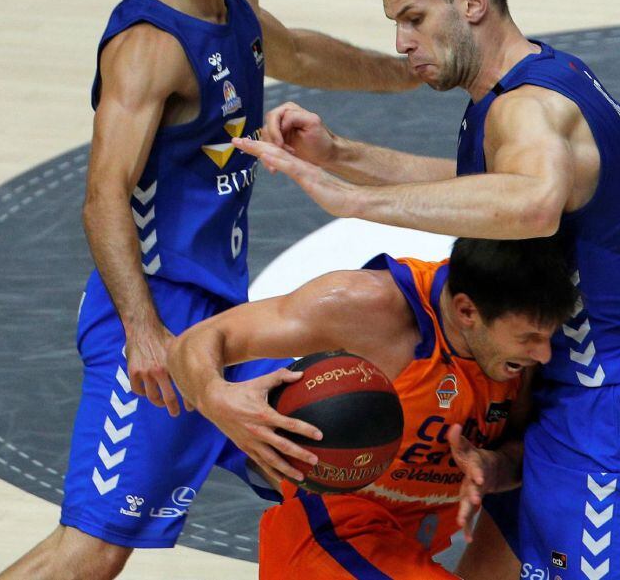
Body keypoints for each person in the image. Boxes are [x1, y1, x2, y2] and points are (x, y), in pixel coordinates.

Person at [0, 0, 415, 579]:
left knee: (343, 464)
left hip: (226, 322)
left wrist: (411, 74)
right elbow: (101, 198)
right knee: (91, 548)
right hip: (155, 327)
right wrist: (142, 330)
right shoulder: (147, 49)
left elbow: (301, 54)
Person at [236, 0, 620, 579]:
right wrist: (341, 155)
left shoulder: (528, 107)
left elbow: (534, 202)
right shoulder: (531, 86)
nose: (401, 43)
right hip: (561, 397)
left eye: (414, 18)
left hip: (611, 408)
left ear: (473, 2)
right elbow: (480, 189)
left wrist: (354, 201)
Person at [166, 236, 579, 579]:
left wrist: (494, 468)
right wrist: (213, 395)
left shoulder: (517, 349)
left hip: (406, 545)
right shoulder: (367, 307)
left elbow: (522, 448)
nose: (544, 354)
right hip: (332, 532)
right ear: (467, 311)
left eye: (547, 337)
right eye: (528, 338)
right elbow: (200, 340)